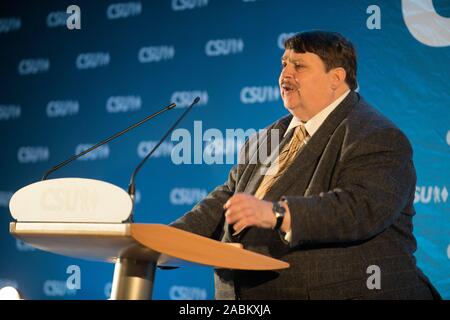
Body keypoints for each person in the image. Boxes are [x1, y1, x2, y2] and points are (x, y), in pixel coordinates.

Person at [170, 30, 440, 300]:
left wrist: (278, 213)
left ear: (335, 78)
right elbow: (229, 197)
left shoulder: (375, 134)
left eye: (298, 65)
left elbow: (361, 208)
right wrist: (168, 241)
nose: (285, 75)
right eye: (284, 64)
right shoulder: (265, 138)